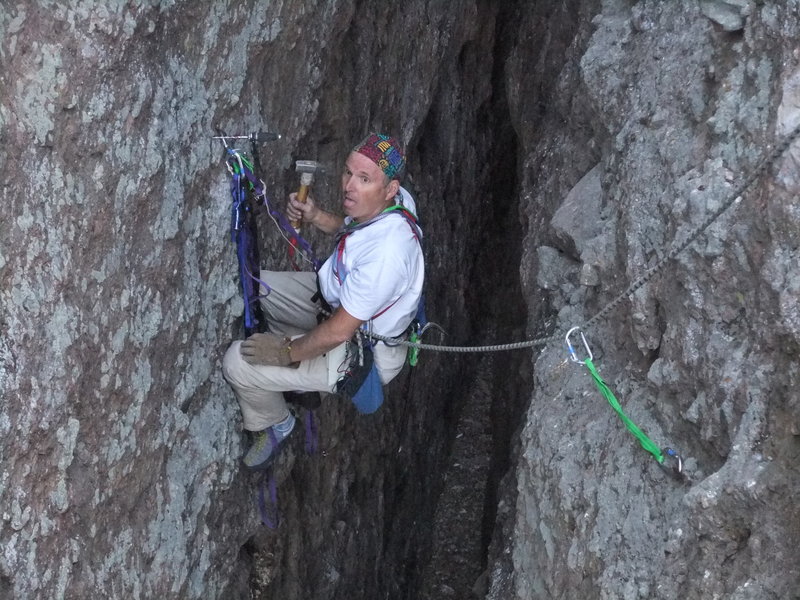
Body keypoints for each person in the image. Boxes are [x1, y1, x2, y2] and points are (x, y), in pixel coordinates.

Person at [222, 132, 425, 470]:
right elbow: (353, 229)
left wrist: (285, 353)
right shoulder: (395, 203)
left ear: (389, 188)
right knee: (256, 288)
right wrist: (316, 215)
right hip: (337, 301)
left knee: (236, 363)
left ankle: (275, 423)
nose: (349, 185)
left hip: (359, 348)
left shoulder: (387, 257)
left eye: (364, 179)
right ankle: (295, 378)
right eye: (348, 173)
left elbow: (337, 333)